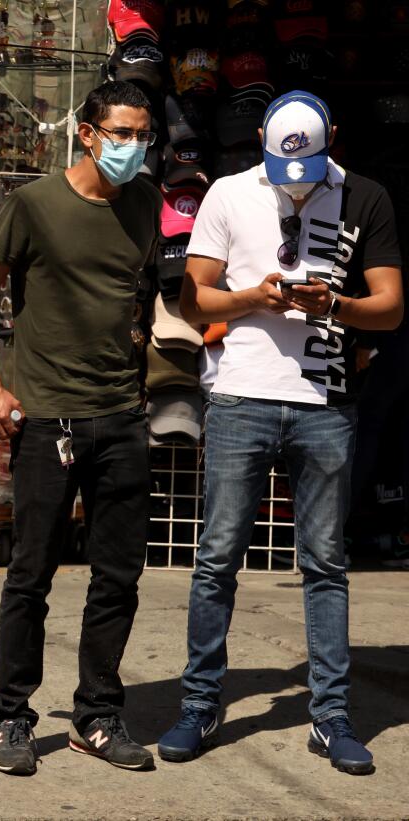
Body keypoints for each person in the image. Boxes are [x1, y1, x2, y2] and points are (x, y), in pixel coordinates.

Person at [161, 91, 403, 775]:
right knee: (217, 560)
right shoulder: (229, 195)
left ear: (332, 138)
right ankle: (200, 702)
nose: (294, 188)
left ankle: (330, 715)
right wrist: (253, 299)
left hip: (325, 403)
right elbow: (192, 298)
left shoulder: (366, 198)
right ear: (262, 140)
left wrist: (339, 305)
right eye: (281, 169)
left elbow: (389, 309)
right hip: (240, 395)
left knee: (325, 564)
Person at [0, 81, 162, 775]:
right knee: (31, 573)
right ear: (87, 134)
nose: (134, 147)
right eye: (122, 134)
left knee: (118, 575)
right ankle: (12, 716)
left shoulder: (144, 204)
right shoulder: (34, 205)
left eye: (143, 135)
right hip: (49, 415)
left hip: (121, 414)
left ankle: (98, 715)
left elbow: (152, 296)